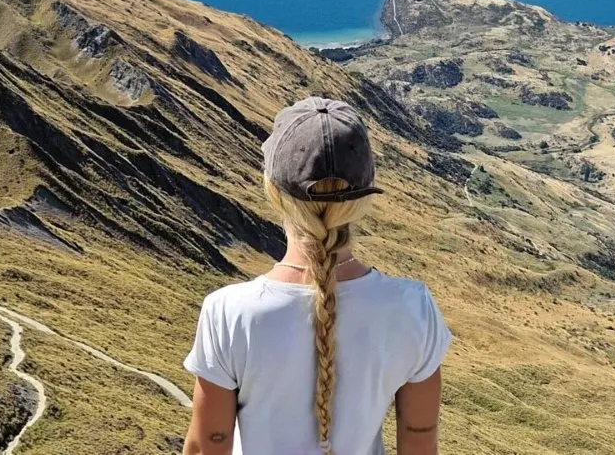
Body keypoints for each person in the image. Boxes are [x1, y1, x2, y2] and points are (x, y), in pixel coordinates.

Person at [182, 97, 452, 455]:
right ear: (364, 196)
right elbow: (419, 443)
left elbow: (207, 446)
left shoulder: (229, 313)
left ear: (274, 191)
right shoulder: (413, 307)